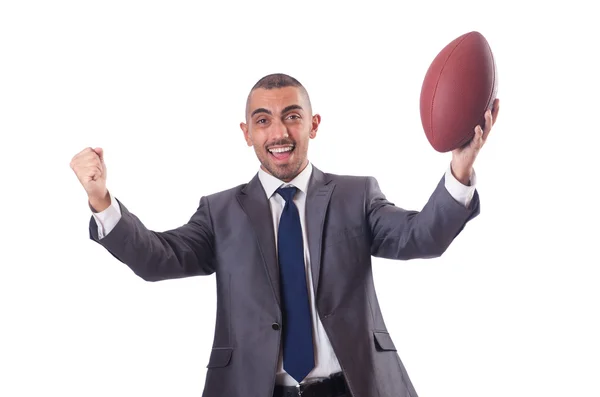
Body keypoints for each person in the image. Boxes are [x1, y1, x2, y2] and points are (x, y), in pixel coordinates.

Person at [70, 73, 500, 397]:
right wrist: (102, 200)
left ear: (313, 124)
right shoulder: (220, 212)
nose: (278, 133)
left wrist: (460, 169)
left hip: (350, 387)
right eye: (263, 121)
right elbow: (156, 259)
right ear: (247, 133)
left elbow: (420, 237)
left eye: (291, 117)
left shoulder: (356, 195)